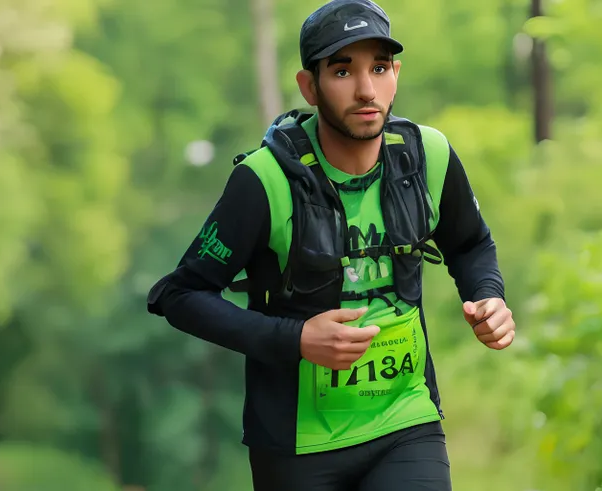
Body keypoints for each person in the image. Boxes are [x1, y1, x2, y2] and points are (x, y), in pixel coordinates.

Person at [146, 0, 517, 489]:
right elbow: (179, 296)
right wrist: (296, 340)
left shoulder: (428, 156)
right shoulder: (265, 181)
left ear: (396, 74)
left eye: (379, 68)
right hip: (297, 445)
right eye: (343, 71)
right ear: (310, 86)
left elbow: (470, 245)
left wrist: (489, 295)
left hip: (404, 421)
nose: (366, 89)